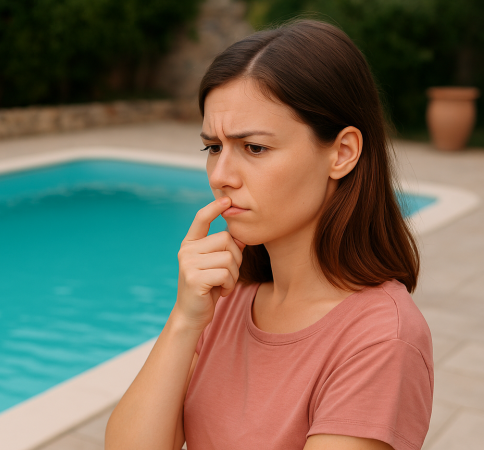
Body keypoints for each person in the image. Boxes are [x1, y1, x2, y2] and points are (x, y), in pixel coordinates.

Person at [105, 19, 433, 450]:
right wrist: (184, 319)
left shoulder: (380, 340)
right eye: (213, 148)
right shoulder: (226, 299)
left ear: (342, 153)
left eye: (254, 148)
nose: (220, 176)